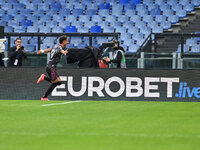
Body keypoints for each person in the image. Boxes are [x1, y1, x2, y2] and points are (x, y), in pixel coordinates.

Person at [36, 35, 69, 101]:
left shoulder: (56, 46)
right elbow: (61, 50)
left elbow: (50, 50)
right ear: (63, 41)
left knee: (59, 82)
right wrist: (64, 52)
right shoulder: (60, 47)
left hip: (51, 67)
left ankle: (44, 96)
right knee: (55, 82)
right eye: (67, 41)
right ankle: (44, 96)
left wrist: (42, 51)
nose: (68, 42)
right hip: (51, 67)